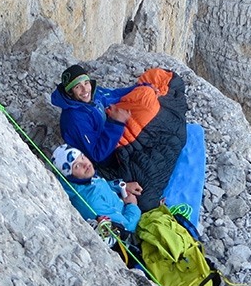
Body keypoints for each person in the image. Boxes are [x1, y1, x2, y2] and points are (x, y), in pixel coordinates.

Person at [50, 63, 189, 212]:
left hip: (114, 138)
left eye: (86, 83)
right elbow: (97, 155)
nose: (85, 90)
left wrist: (143, 88)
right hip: (108, 159)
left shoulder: (92, 96)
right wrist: (116, 123)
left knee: (166, 124)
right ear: (70, 92)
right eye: (78, 87)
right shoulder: (74, 120)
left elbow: (114, 95)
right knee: (145, 196)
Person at [52, 144, 143, 232]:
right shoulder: (91, 203)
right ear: (69, 176)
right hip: (133, 219)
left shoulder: (83, 181)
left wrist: (121, 186)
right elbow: (127, 227)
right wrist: (132, 205)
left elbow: (100, 186)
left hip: (123, 202)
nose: (85, 164)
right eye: (77, 165)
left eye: (82, 157)